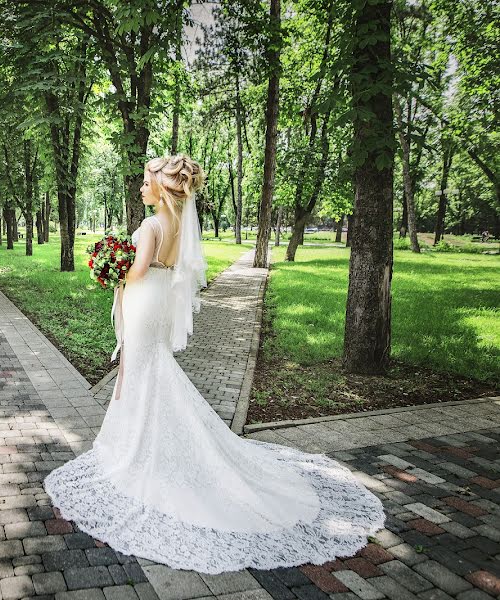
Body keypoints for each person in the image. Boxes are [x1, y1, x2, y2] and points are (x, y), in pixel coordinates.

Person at [44, 155, 385, 574]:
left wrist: (107, 270)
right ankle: (142, 437)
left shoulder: (151, 226)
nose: (141, 188)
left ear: (163, 187)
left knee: (142, 368)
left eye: (146, 182)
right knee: (151, 367)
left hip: (144, 298)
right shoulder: (176, 225)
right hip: (160, 300)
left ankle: (135, 448)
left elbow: (136, 272)